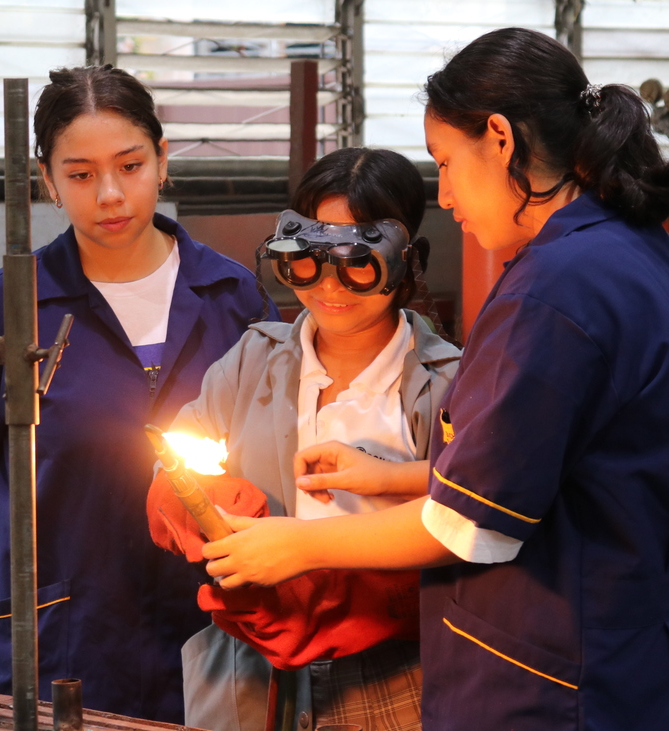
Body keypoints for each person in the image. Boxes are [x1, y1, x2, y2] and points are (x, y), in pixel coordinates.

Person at [198, 27, 669, 731]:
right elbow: (557, 468)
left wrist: (295, 544)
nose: (445, 195)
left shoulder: (553, 290)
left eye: (445, 162)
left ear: (500, 139)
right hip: (637, 655)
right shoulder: (638, 250)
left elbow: (469, 525)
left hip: (558, 680)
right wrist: (392, 478)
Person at [0, 65, 275, 722]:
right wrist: (37, 583)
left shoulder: (233, 296)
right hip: (59, 647)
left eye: (130, 165)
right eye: (80, 174)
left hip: (210, 633)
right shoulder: (4, 308)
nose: (110, 193)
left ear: (162, 160)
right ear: (46, 179)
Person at [160, 147, 461, 731]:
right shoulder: (254, 359)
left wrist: (357, 588)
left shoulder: (448, 384)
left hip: (396, 677)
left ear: (407, 262)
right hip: (253, 673)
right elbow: (175, 461)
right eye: (305, 261)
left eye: (358, 263)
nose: (330, 285)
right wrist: (200, 509)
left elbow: (473, 511)